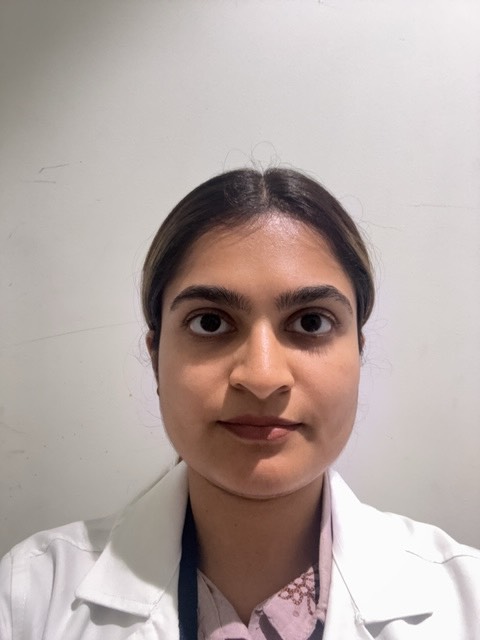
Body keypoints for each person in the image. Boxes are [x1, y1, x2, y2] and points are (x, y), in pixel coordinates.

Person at [1, 168, 479, 639]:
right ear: (156, 357)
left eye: (311, 322)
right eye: (210, 322)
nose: (263, 377)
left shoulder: (467, 601)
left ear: (359, 352)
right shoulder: (29, 596)